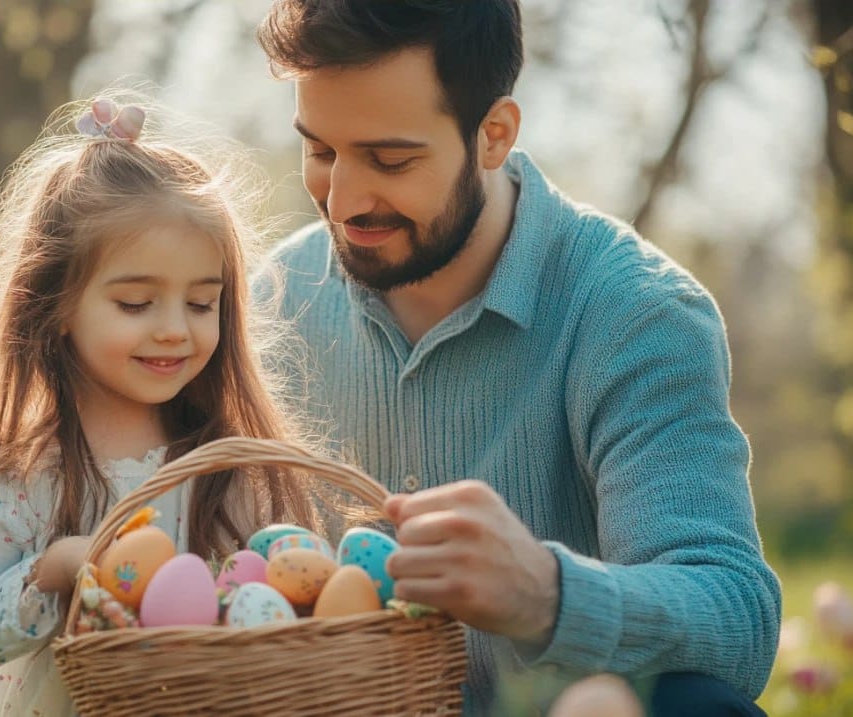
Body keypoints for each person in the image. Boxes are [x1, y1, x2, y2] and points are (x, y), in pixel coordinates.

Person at [253, 2, 780, 715]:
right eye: (319, 150)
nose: (342, 200)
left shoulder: (636, 313)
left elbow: (736, 620)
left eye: (390, 159)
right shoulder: (274, 307)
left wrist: (545, 592)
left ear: (494, 134)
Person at [0, 95, 321, 715]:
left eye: (202, 304)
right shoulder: (25, 476)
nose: (175, 329)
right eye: (136, 303)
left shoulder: (222, 466)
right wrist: (47, 571)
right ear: (58, 304)